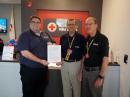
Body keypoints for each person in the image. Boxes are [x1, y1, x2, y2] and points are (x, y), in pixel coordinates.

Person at [17, 15, 52, 97]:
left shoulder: (45, 35)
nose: (36, 24)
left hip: (43, 71)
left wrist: (53, 49)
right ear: (30, 23)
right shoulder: (24, 35)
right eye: (33, 22)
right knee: (29, 94)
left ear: (40, 24)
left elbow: (52, 46)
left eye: (38, 22)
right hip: (29, 72)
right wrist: (40, 61)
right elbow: (24, 52)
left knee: (40, 93)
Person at [80, 17, 109, 97]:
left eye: (90, 24)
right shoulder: (86, 39)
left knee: (95, 95)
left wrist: (100, 77)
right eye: (86, 24)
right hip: (85, 72)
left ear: (96, 25)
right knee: (85, 95)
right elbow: (84, 57)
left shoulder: (103, 39)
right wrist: (81, 72)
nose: (88, 26)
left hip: (96, 73)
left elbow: (105, 60)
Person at [60, 19, 85, 97]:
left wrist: (81, 70)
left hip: (76, 64)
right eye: (69, 24)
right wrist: (60, 60)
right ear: (67, 26)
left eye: (72, 24)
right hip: (64, 64)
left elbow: (83, 54)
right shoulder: (63, 37)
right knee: (66, 86)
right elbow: (60, 51)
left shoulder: (81, 38)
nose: (71, 26)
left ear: (75, 26)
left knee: (76, 86)